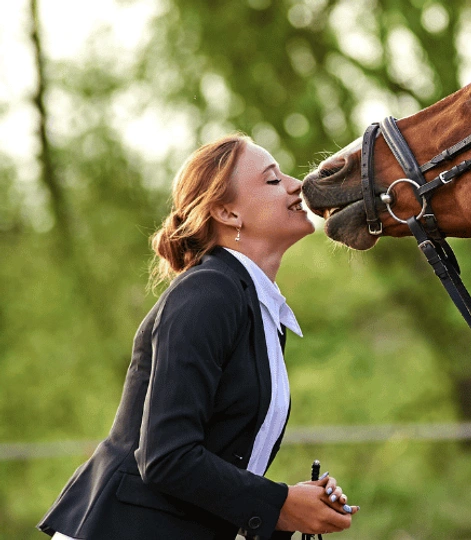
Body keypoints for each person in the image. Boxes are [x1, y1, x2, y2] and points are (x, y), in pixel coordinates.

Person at [38, 134, 353, 539]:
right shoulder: (208, 293)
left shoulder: (253, 305)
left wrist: (296, 506)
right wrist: (280, 506)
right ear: (228, 213)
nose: (297, 185)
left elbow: (215, 466)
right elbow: (167, 457)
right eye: (273, 180)